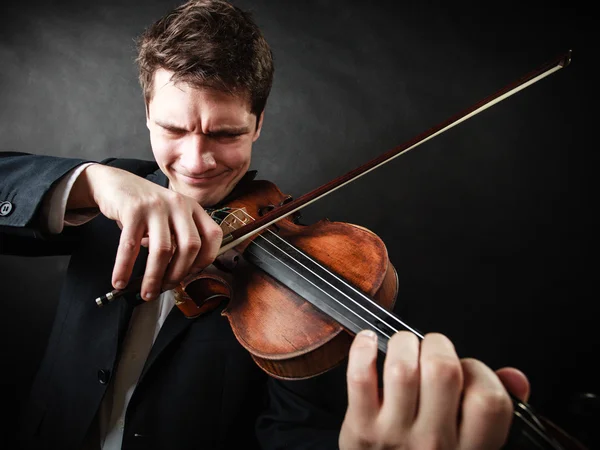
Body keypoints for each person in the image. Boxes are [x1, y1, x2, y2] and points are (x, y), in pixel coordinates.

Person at [0, 0, 530, 449]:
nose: (196, 159)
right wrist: (93, 180)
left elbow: (293, 433)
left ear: (258, 123)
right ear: (147, 113)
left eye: (225, 133)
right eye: (173, 128)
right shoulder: (106, 200)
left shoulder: (308, 281)